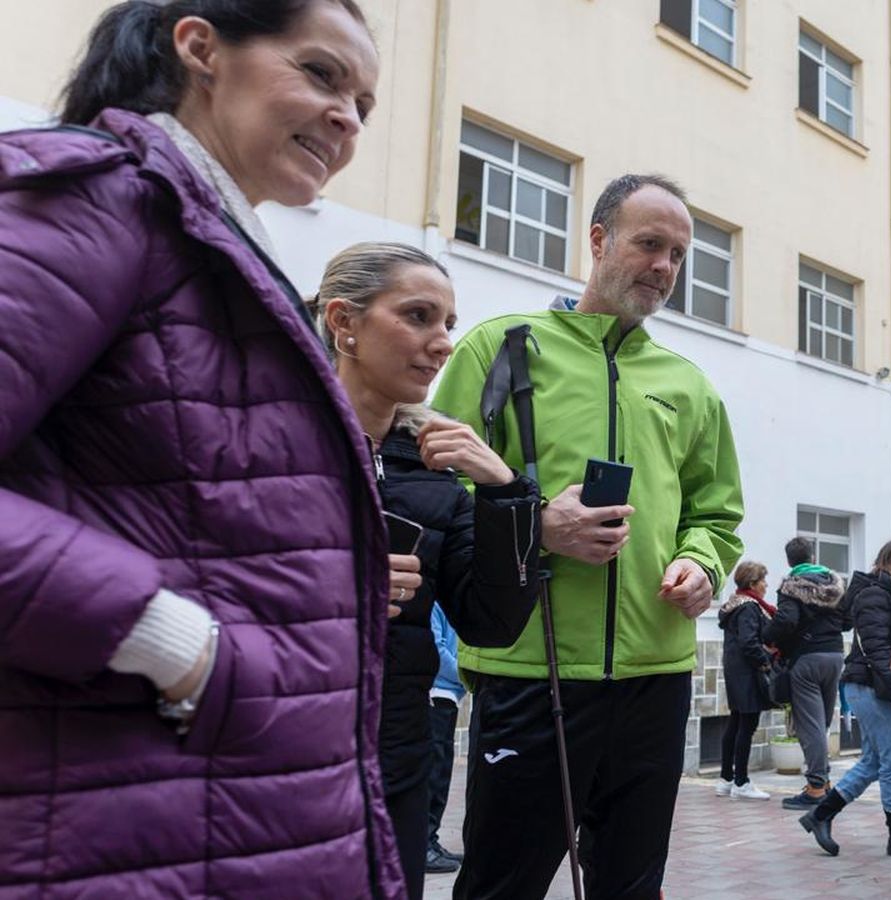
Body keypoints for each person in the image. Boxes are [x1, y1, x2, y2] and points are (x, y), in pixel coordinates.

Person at [0, 2, 405, 895]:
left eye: (364, 105)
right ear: (200, 49)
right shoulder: (98, 203)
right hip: (130, 823)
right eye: (322, 74)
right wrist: (177, 643)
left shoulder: (219, 249)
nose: (347, 118)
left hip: (232, 817)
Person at [430, 174, 745, 899]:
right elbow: (439, 491)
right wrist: (535, 526)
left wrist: (702, 564)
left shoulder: (689, 384)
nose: (664, 266)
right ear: (598, 240)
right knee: (501, 886)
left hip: (655, 677)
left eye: (678, 254)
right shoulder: (501, 348)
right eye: (649, 244)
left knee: (632, 886)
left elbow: (715, 513)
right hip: (527, 670)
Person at [308, 241, 540, 898]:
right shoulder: (274, 436)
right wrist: (331, 584)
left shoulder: (435, 472)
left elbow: (493, 622)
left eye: (448, 323)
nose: (442, 344)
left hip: (396, 763)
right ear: (344, 321)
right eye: (418, 316)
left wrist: (504, 490)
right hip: (282, 753)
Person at [799, 539, 891, 858]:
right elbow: (876, 649)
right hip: (869, 688)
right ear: (886, 562)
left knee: (873, 762)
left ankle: (820, 815)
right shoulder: (874, 595)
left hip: (876, 687)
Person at [762, 552, 848, 810]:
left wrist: (768, 637)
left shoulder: (791, 585)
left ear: (790, 561)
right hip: (835, 656)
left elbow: (786, 620)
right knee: (821, 723)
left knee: (810, 726)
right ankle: (825, 782)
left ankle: (816, 788)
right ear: (811, 556)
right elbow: (848, 620)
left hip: (807, 660)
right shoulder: (834, 584)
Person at [716, 560, 778, 800]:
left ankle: (726, 779)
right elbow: (749, 642)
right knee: (747, 726)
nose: (766, 585)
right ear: (752, 583)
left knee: (735, 723)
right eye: (763, 580)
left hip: (736, 671)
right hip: (748, 673)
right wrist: (765, 662)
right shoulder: (750, 607)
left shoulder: (735, 604)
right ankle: (741, 782)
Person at [426, 605, 466, 874]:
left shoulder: (451, 603)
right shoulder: (433, 605)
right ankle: (423, 846)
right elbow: (436, 651)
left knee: (441, 774)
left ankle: (431, 840)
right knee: (433, 773)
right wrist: (466, 675)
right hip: (435, 695)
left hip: (449, 697)